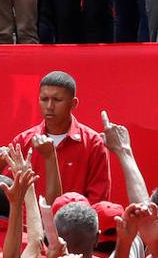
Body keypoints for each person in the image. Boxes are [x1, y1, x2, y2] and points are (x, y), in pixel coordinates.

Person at [10, 71, 111, 203]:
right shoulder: (23, 141)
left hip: (74, 223)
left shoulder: (93, 143)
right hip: (28, 223)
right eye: (44, 99)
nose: (49, 106)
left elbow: (98, 200)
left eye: (57, 100)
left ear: (73, 104)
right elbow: (7, 194)